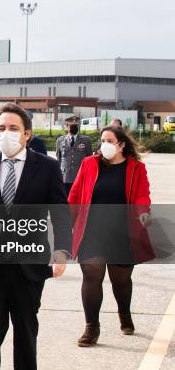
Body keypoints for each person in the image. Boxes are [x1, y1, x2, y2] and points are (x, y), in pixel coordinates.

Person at [0, 103, 71, 370]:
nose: (6, 133)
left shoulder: (47, 167)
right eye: (1, 128)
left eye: (13, 128)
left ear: (27, 134)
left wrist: (62, 249)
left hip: (29, 266)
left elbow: (61, 213)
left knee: (25, 333)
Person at [68, 126, 153, 347]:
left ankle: (124, 313)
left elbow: (143, 194)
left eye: (109, 140)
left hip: (122, 232)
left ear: (121, 145)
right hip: (91, 231)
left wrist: (143, 212)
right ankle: (91, 328)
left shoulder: (136, 168)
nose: (103, 144)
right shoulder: (89, 164)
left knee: (121, 280)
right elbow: (75, 194)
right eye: (102, 140)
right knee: (92, 275)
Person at [55, 116, 93, 196]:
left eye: (76, 126)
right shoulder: (60, 140)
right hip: (65, 177)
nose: (74, 128)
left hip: (80, 176)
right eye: (71, 126)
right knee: (66, 200)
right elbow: (59, 159)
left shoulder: (86, 140)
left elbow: (90, 159)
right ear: (66, 126)